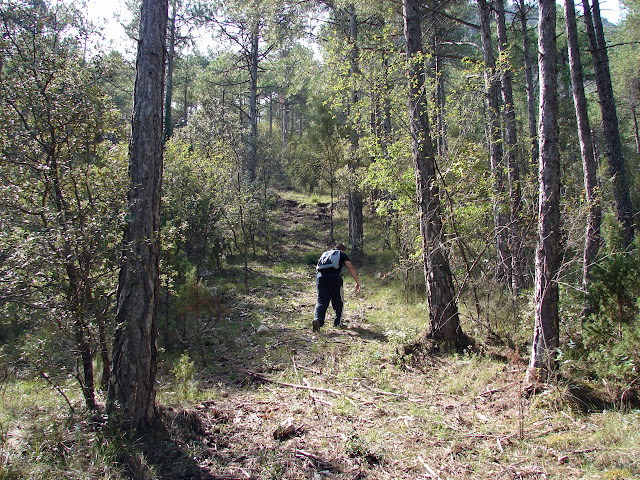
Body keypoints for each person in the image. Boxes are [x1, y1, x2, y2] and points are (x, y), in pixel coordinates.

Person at [312, 243, 361, 332]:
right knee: (338, 300)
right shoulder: (341, 254)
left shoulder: (325, 254)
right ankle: (338, 322)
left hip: (320, 278)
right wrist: (357, 282)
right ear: (342, 250)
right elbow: (350, 267)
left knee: (321, 301)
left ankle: (318, 320)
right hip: (334, 278)